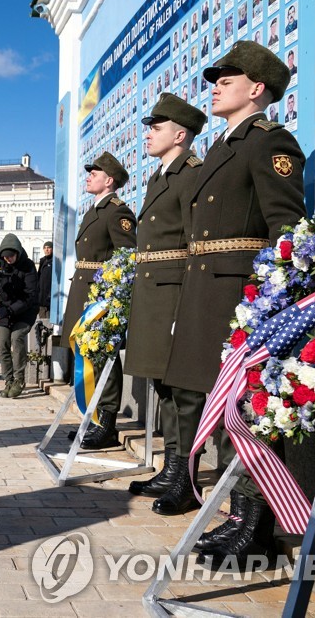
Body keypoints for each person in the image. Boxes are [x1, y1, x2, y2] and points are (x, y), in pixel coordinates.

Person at [161, 41, 306, 569]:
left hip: (238, 296)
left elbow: (286, 229)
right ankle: (236, 517)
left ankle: (254, 526)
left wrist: (267, 305)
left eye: (229, 77)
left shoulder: (269, 143)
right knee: (218, 411)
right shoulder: (224, 147)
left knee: (244, 412)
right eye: (216, 77)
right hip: (206, 291)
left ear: (257, 88)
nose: (217, 84)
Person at [122, 93, 206, 514]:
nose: (149, 136)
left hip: (175, 293)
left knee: (185, 392)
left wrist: (186, 307)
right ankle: (172, 468)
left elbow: (196, 245)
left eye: (156, 129)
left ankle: (186, 479)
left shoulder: (192, 174)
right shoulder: (160, 176)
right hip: (154, 293)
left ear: (180, 134)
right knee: (164, 386)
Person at [58, 152, 137, 449]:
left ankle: (106, 422)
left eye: (95, 172)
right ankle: (92, 417)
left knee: (103, 356)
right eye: (89, 172)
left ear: (110, 180)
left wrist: (111, 298)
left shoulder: (117, 212)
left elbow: (127, 257)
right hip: (84, 290)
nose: (89, 176)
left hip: (99, 297)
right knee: (88, 357)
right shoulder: (94, 211)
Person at [0, 234, 39, 399]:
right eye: (5, 257)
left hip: (24, 311)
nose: (8, 260)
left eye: (11, 256)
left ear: (18, 253)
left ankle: (19, 380)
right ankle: (8, 379)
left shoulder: (27, 266)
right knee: (2, 344)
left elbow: (30, 296)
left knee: (17, 338)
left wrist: (7, 310)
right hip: (3, 311)